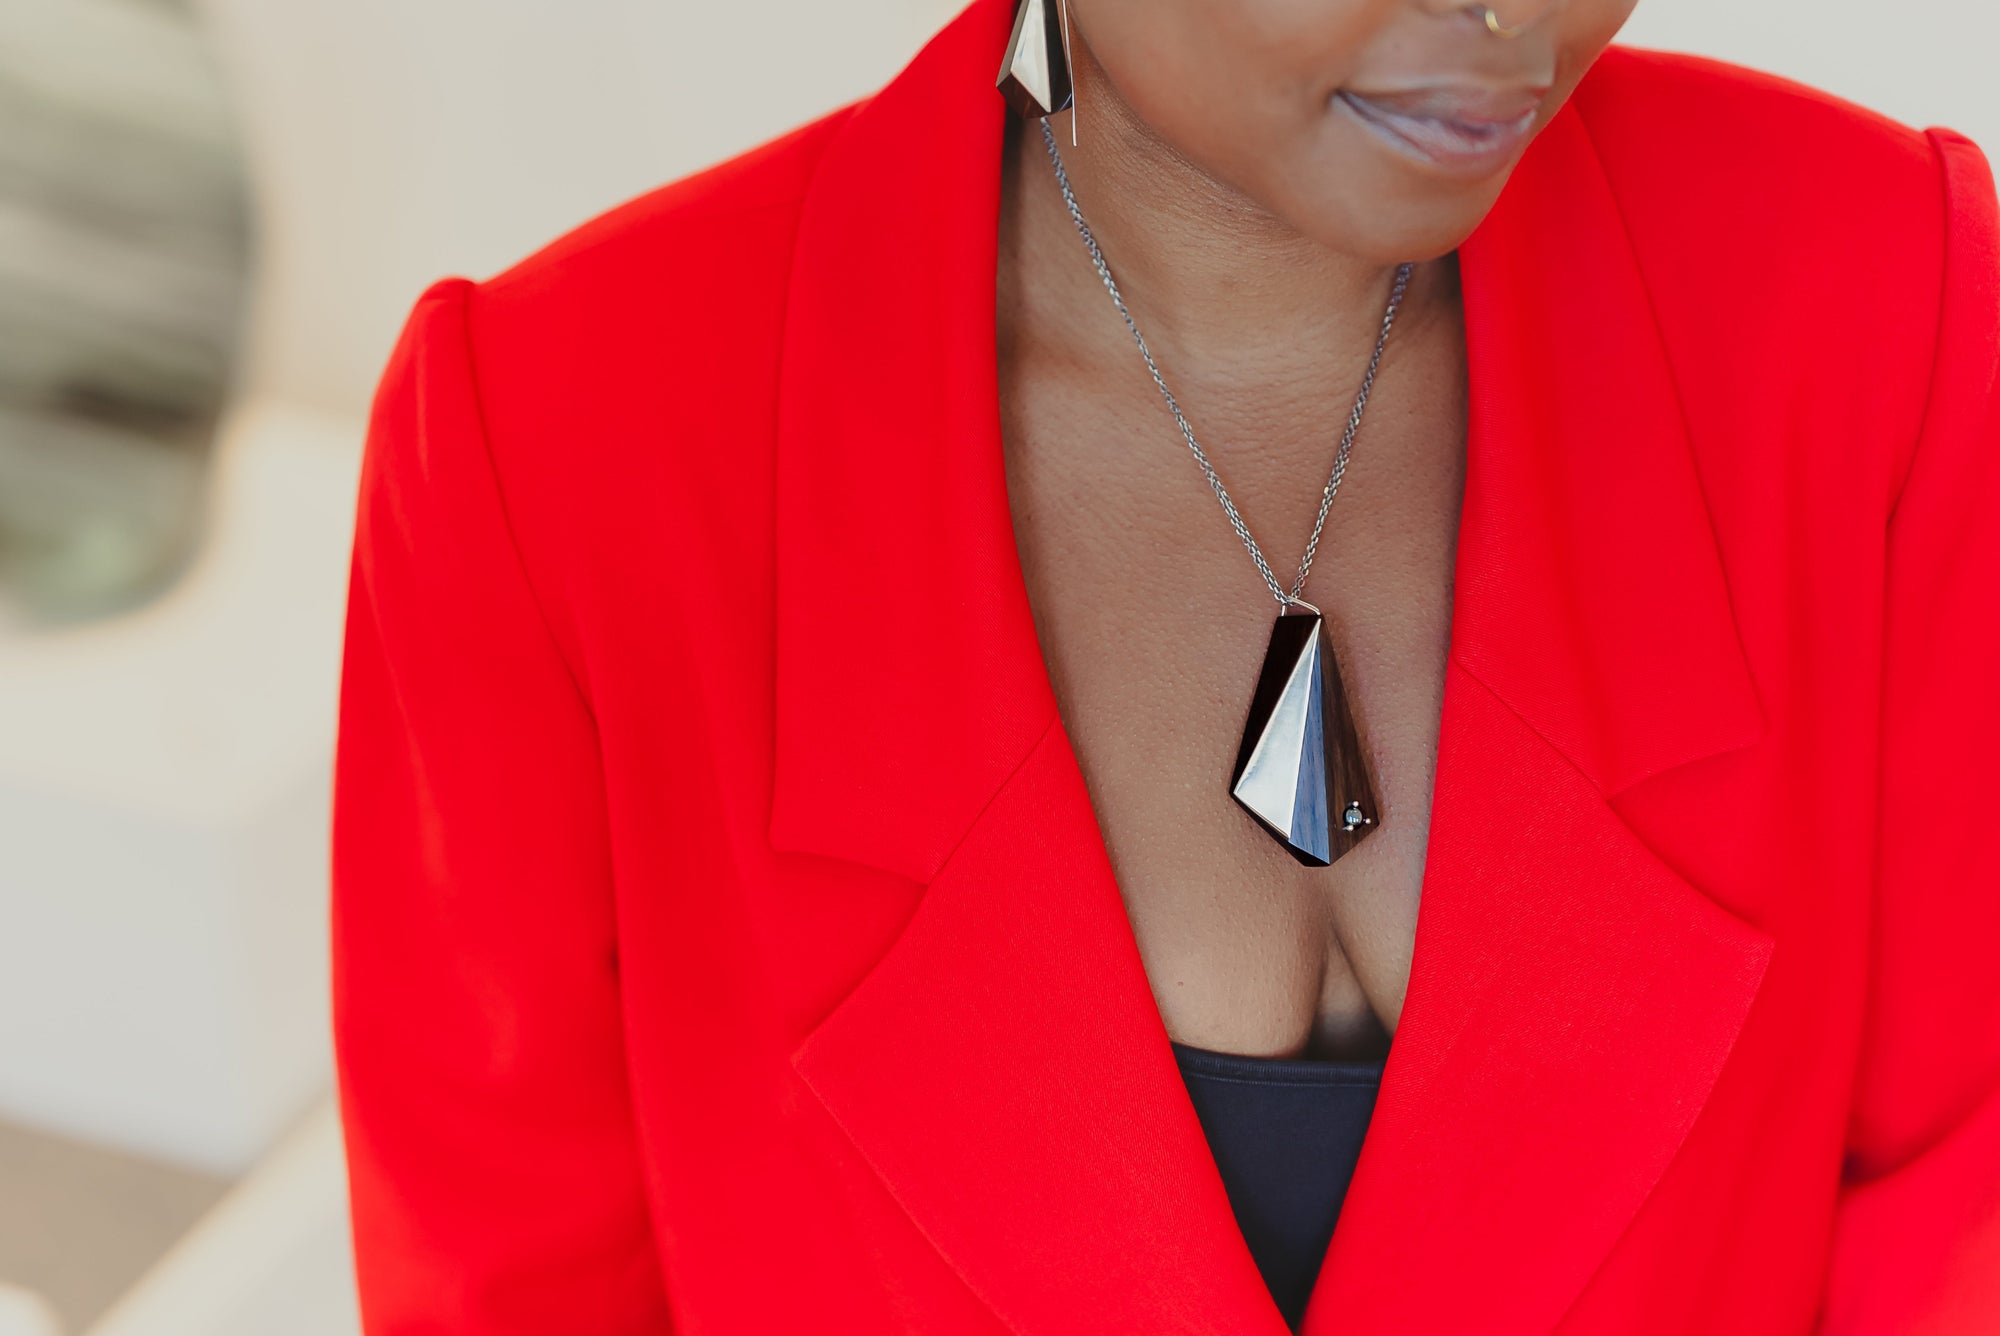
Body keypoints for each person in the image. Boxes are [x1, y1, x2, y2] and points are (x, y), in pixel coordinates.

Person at [329, 0, 2000, 1331]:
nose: (1508, 17)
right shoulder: (557, 455)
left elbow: (1961, 1192)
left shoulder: (1882, 302)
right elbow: (517, 1295)